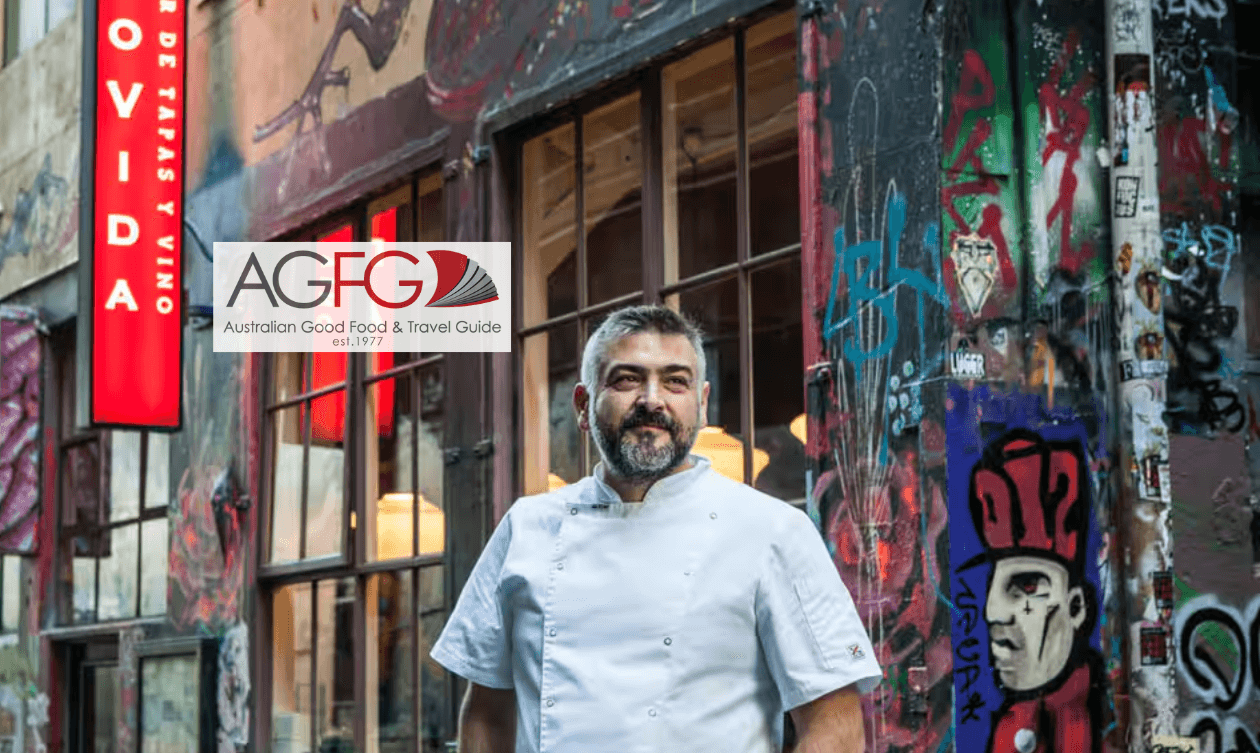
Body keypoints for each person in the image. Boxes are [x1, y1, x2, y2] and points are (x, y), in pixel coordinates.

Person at [430, 305, 881, 753]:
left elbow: (835, 730)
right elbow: (488, 715)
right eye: (627, 379)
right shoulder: (526, 528)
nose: (652, 399)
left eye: (675, 381)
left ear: (701, 404)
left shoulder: (772, 530)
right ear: (584, 406)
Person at [966, 431, 1102, 753]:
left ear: (1076, 607)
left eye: (1027, 587)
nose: (993, 612)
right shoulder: (1011, 723)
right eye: (993, 587)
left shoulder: (1092, 717)